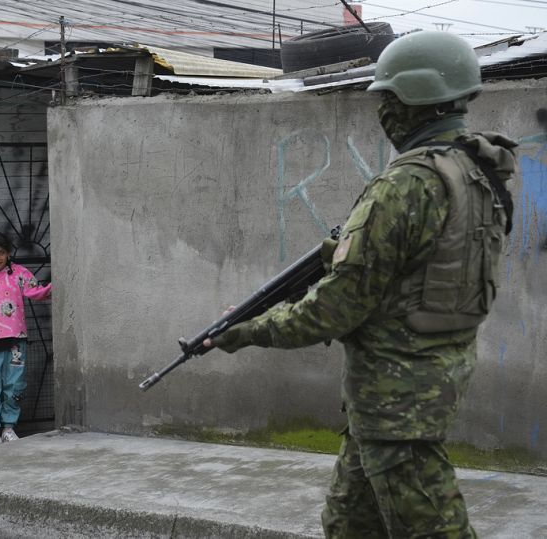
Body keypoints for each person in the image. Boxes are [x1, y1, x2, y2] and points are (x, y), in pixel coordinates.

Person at [204, 31, 517, 538]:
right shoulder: (481, 174)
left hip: (397, 408)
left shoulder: (405, 185)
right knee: (349, 524)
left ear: (416, 97)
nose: (382, 112)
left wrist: (246, 330)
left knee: (433, 530)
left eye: (388, 98)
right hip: (416, 386)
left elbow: (335, 309)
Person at [0, 232, 52, 451]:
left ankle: (8, 428)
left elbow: (36, 292)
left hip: (17, 338)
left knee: (14, 384)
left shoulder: (19, 273)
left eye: (2, 252)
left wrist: (55, 286)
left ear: (8, 253)